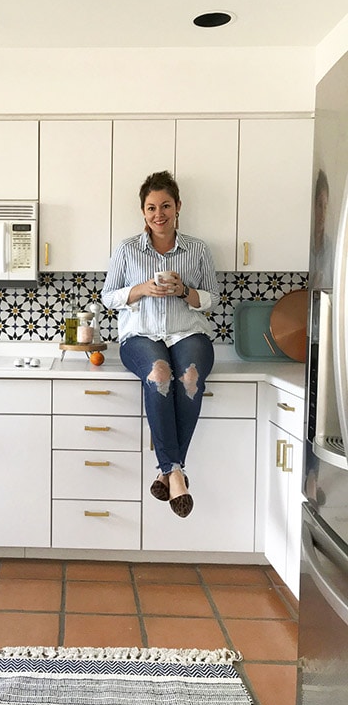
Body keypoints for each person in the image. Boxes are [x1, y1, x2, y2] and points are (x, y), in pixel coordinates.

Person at [102, 171, 220, 518]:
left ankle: (168, 470)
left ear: (178, 207)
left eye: (165, 206)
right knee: (159, 374)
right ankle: (176, 471)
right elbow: (109, 297)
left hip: (188, 332)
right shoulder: (126, 250)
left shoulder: (198, 249)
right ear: (143, 211)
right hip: (140, 336)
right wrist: (141, 289)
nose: (159, 214)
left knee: (190, 379)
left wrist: (185, 291)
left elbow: (212, 299)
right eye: (151, 207)